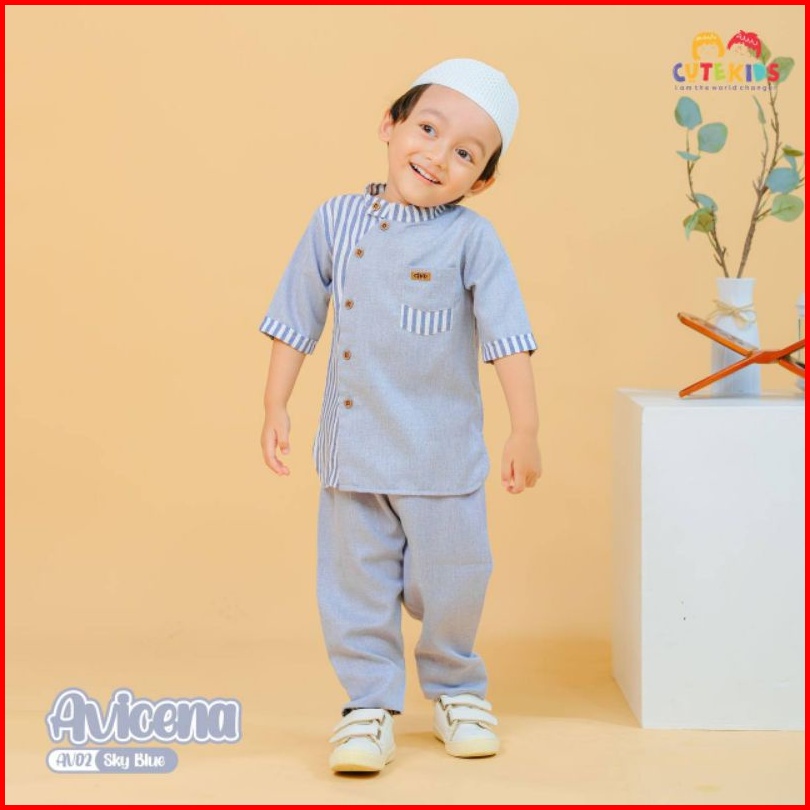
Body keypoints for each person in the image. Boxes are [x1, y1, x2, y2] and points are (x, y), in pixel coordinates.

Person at [258, 58, 541, 774]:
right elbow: (297, 314)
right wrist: (275, 403)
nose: (437, 156)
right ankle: (368, 706)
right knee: (354, 585)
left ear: (481, 181)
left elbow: (507, 335)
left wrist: (525, 428)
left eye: (465, 154)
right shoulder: (335, 220)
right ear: (390, 124)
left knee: (454, 579)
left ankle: (456, 688)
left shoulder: (471, 240)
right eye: (428, 129)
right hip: (354, 453)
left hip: (441, 457)